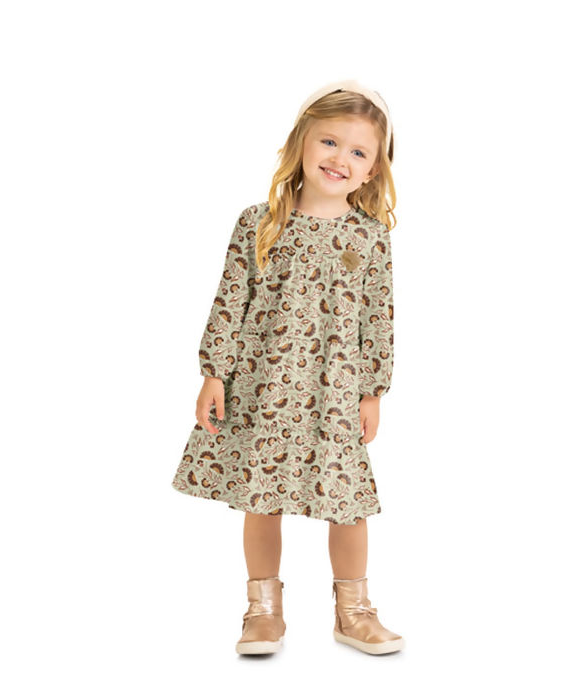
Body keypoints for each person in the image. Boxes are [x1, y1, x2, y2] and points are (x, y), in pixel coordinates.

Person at [171, 79, 403, 656]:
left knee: (347, 503)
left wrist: (372, 391)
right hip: (264, 385)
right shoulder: (259, 222)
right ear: (301, 141)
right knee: (261, 498)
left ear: (372, 171)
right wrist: (214, 373)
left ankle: (354, 611)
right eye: (329, 141)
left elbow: (378, 316)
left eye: (358, 152)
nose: (340, 158)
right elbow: (230, 301)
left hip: (334, 392)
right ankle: (263, 611)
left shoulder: (370, 238)